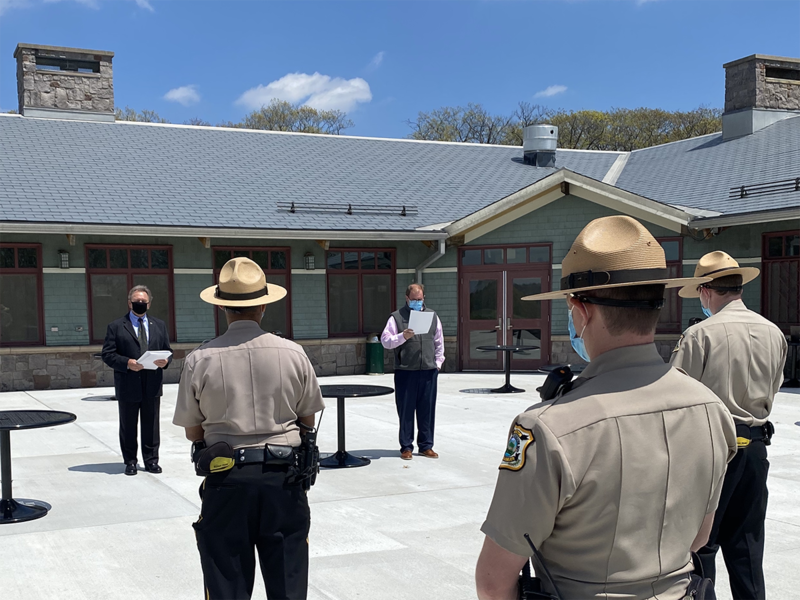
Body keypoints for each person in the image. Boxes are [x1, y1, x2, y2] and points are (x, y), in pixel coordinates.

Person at [475, 216, 737, 600]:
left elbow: (493, 581)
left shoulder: (549, 428)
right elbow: (699, 538)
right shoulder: (712, 411)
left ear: (582, 311)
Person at [173, 257, 325, 600]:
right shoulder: (293, 353)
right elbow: (308, 419)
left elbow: (193, 431)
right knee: (287, 584)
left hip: (226, 477)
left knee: (227, 586)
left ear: (221, 306)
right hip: (283, 479)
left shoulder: (200, 359)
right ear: (264, 304)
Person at [671, 251, 787, 600]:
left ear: (706, 291)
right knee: (747, 548)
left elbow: (676, 396)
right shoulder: (774, 333)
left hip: (713, 450)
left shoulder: (699, 335)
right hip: (756, 449)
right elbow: (775, 387)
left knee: (699, 548)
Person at [101, 285, 171, 476]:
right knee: (128, 425)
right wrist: (127, 363)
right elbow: (107, 354)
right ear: (129, 303)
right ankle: (130, 461)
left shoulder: (159, 325)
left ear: (149, 303)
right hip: (128, 384)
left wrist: (166, 361)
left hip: (152, 384)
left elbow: (167, 350)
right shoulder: (116, 326)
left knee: (151, 425)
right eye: (136, 301)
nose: (140, 304)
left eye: (143, 301)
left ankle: (151, 461)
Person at [380, 283, 444, 460]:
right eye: (414, 299)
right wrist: (403, 336)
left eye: (420, 299)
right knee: (406, 410)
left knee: (427, 409)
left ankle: (426, 446)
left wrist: (438, 363)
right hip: (406, 371)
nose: (417, 302)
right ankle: (406, 447)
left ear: (424, 298)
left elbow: (438, 341)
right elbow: (385, 341)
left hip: (428, 370)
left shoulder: (432, 316)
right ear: (407, 298)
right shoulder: (396, 317)